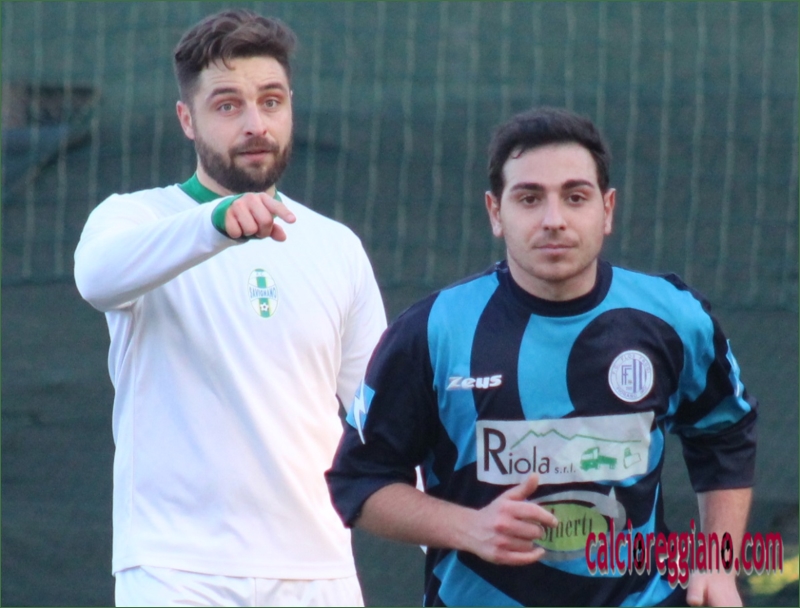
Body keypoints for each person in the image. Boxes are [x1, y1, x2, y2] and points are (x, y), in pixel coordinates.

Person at [326, 107, 757, 606]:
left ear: (607, 209)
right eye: (529, 198)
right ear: (495, 212)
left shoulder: (672, 318)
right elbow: (360, 481)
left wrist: (717, 562)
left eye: (575, 197)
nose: (554, 220)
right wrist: (470, 527)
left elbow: (725, 430)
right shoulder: (433, 331)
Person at [74, 9, 386, 607]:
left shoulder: (337, 246)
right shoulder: (134, 218)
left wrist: (446, 536)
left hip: (319, 573)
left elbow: (381, 414)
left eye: (271, 101)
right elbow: (97, 278)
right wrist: (215, 222)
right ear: (186, 120)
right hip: (174, 572)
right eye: (227, 105)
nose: (255, 124)